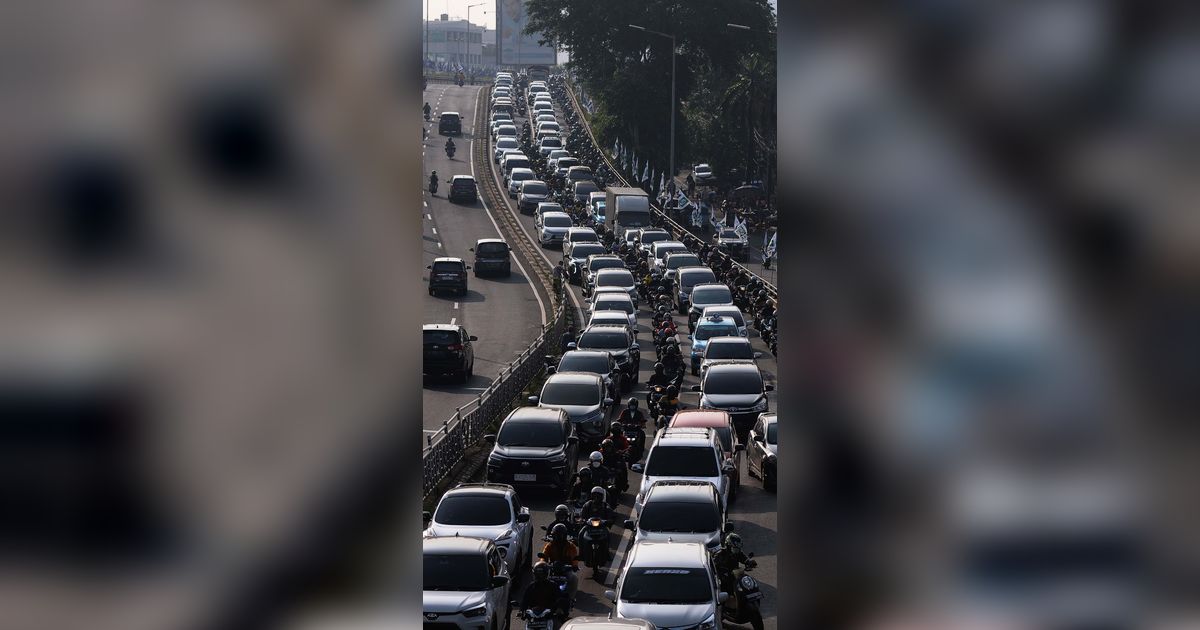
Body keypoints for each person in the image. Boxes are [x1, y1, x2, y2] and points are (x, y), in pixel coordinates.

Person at [713, 533, 757, 611]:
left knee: (746, 582)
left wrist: (750, 562)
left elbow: (744, 558)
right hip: (724, 577)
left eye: (738, 548)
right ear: (728, 546)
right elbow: (714, 567)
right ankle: (722, 609)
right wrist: (721, 571)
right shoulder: (720, 554)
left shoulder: (737, 553)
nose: (737, 550)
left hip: (735, 574)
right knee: (722, 591)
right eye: (735, 548)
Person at [540, 523, 580, 601]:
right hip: (552, 568)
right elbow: (543, 556)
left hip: (566, 569)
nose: (559, 537)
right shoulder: (549, 546)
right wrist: (542, 564)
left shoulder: (571, 546)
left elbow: (574, 558)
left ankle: (571, 598)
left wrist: (574, 565)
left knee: (574, 578)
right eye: (556, 535)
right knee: (539, 576)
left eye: (560, 535)